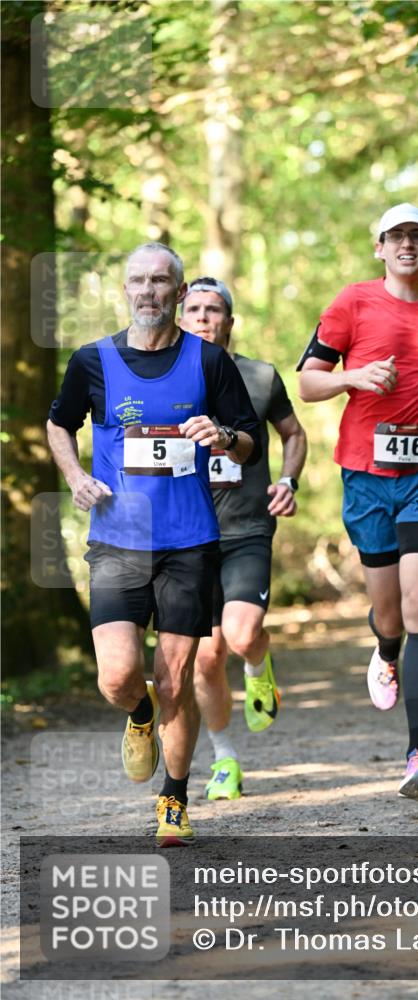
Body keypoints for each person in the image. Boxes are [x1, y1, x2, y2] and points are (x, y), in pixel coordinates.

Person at [46, 243, 261, 845]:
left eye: (161, 281)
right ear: (125, 290)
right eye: (138, 280)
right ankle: (138, 715)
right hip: (116, 541)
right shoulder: (92, 360)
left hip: (189, 542)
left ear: (178, 291)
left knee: (175, 681)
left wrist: (223, 435)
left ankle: (174, 798)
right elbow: (59, 423)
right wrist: (75, 476)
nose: (148, 291)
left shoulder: (208, 361)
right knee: (119, 678)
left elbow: (250, 442)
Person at [298, 203, 418, 801]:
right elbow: (307, 382)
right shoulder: (351, 304)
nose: (407, 244)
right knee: (390, 616)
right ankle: (385, 651)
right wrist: (352, 378)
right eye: (396, 236)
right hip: (367, 478)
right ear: (379, 247)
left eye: (417, 236)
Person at [180, 277, 307, 800]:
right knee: (206, 658)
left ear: (230, 321)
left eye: (213, 310)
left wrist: (288, 480)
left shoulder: (258, 376)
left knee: (240, 633)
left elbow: (293, 433)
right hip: (186, 537)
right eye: (194, 309)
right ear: (180, 319)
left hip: (247, 528)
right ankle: (224, 759)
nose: (203, 318)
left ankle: (258, 662)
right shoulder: (162, 381)